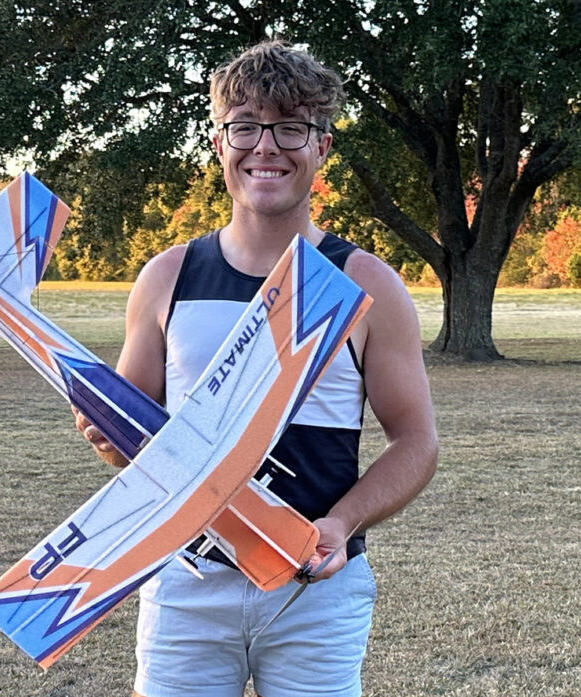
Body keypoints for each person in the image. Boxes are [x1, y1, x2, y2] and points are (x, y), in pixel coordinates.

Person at [74, 40, 438, 697]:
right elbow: (133, 450)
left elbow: (416, 441)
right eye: (244, 127)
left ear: (322, 146)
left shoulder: (365, 284)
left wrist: (341, 523)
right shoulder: (167, 277)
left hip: (314, 591)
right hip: (185, 581)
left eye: (290, 128)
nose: (265, 147)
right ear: (219, 143)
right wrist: (108, 436)